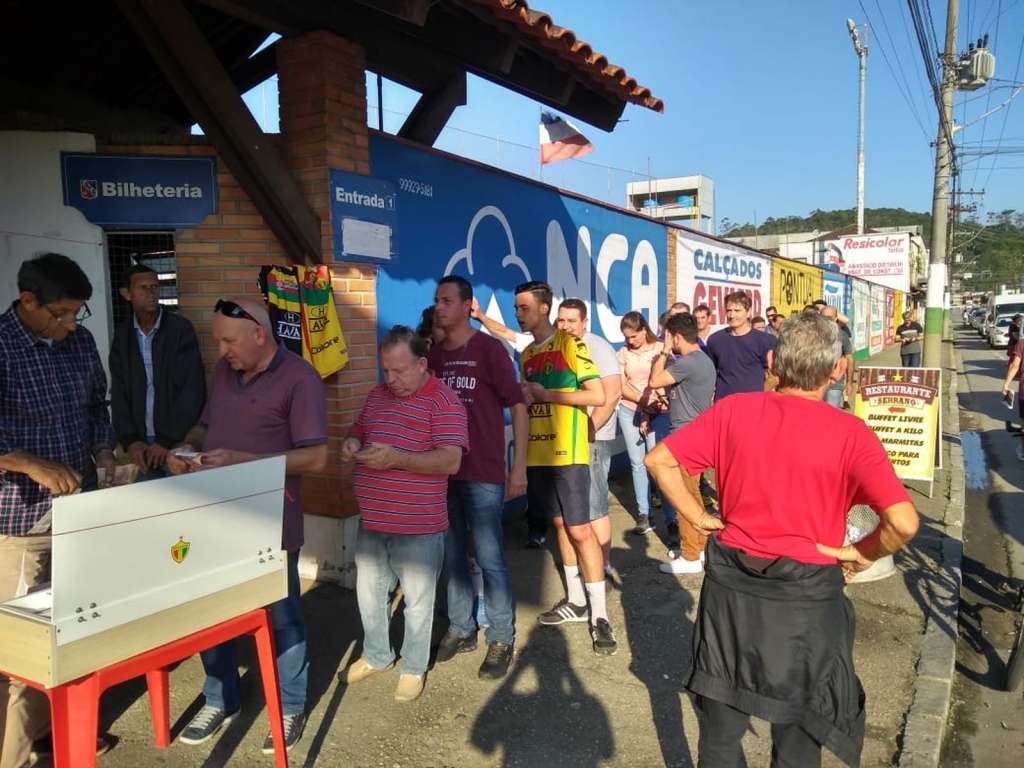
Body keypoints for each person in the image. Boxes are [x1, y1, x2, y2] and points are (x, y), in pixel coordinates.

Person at [645, 312, 919, 766]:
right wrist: (860, 553)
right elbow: (904, 523)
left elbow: (659, 461)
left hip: (732, 596)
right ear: (837, 369)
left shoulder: (734, 410)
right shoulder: (851, 433)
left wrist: (698, 515)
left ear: (772, 361)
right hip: (806, 600)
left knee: (720, 730)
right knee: (799, 733)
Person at [169, 297, 328, 753]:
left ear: (260, 334)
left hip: (271, 522)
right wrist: (186, 448)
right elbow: (204, 427)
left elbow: (315, 457)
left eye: (229, 340)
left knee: (282, 616)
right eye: (218, 340)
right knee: (211, 611)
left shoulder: (300, 378)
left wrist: (243, 461)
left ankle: (291, 705)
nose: (221, 350)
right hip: (215, 517)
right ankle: (221, 698)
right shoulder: (224, 372)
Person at [0, 253, 115, 767]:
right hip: (21, 522)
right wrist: (25, 462)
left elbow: (97, 406)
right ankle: (14, 756)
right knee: (19, 650)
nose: (71, 325)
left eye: (77, 314)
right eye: (62, 314)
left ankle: (56, 731)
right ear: (28, 301)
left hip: (80, 513)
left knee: (70, 633)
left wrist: (106, 452)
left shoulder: (81, 343)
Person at [339, 326, 468, 701]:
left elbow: (451, 460)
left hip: (418, 525)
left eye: (399, 371)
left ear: (422, 364)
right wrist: (353, 440)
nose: (390, 380)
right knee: (369, 594)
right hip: (374, 520)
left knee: (417, 602)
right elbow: (361, 426)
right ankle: (377, 654)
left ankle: (413, 666)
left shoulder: (444, 401)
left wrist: (399, 459)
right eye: (386, 371)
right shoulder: (377, 394)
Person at [428, 277, 526, 680]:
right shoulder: (432, 357)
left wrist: (518, 466)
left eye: (447, 301)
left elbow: (517, 404)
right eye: (436, 301)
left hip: (483, 472)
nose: (439, 307)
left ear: (469, 305)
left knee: (489, 558)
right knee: (452, 556)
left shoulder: (488, 350)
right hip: (442, 474)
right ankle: (462, 627)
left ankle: (501, 636)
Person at [513, 282, 616, 655]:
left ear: (543, 309)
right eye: (516, 307)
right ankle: (575, 601)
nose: (518, 314)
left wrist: (549, 395)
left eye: (524, 308)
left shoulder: (571, 346)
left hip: (570, 451)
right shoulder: (525, 354)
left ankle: (600, 616)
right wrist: (519, 462)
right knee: (558, 526)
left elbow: (598, 395)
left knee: (580, 529)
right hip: (540, 456)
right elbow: (523, 407)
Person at [109, 264, 206, 480]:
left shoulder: (180, 329)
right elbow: (119, 390)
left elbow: (192, 389)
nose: (151, 293)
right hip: (140, 444)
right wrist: (130, 440)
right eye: (143, 288)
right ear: (127, 294)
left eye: (155, 286)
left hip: (177, 441)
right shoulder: (123, 334)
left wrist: (166, 440)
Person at [646, 313, 716, 575]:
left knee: (683, 496)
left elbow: (654, 381)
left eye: (669, 337)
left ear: (676, 336)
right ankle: (699, 548)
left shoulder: (689, 362)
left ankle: (689, 555)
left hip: (685, 436)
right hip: (694, 434)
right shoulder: (702, 360)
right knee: (693, 495)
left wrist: (663, 352)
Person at [555, 299, 621, 574]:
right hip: (565, 440)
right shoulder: (557, 346)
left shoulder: (598, 347)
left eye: (572, 321)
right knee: (571, 509)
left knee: (594, 505)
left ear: (584, 323)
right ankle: (584, 561)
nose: (566, 326)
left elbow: (613, 392)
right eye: (561, 320)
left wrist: (589, 428)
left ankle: (602, 563)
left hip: (593, 438)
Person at [615, 311, 668, 537]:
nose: (630, 341)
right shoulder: (623, 353)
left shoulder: (660, 349)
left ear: (644, 331)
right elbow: (621, 384)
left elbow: (667, 377)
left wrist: (653, 403)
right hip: (630, 411)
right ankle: (644, 514)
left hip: (659, 411)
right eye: (627, 337)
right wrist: (641, 401)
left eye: (634, 336)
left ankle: (671, 516)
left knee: (656, 463)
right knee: (637, 463)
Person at [705, 291, 776, 402]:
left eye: (737, 310)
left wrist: (756, 397)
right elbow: (709, 374)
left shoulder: (765, 341)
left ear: (748, 313)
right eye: (729, 311)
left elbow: (774, 378)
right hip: (723, 406)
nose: (732, 315)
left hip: (753, 407)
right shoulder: (715, 340)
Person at [821, 305, 854, 409]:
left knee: (830, 415)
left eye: (829, 318)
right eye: (823, 317)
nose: (826, 321)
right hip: (815, 383)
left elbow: (849, 360)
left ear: (836, 318)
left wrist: (849, 383)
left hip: (835, 383)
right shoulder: (812, 334)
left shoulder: (842, 335)